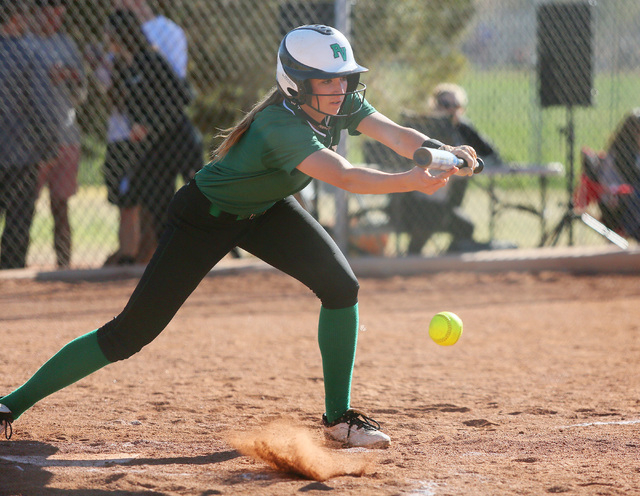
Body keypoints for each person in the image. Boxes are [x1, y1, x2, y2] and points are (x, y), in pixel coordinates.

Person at [0, 25, 480, 447]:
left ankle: (339, 419)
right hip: (203, 219)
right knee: (130, 334)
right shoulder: (279, 124)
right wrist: (410, 181)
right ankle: (10, 403)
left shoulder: (340, 101)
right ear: (295, 82)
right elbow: (346, 175)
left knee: (341, 287)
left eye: (344, 78)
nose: (339, 88)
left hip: (267, 211)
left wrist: (441, 151)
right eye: (326, 79)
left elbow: (396, 135)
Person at [94, 0, 198, 266]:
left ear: (121, 36)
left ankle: (229, 247)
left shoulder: (151, 59)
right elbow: (127, 106)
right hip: (153, 146)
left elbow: (183, 97)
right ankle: (167, 260)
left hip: (178, 139)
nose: (106, 39)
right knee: (157, 202)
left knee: (201, 193)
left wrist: (149, 124)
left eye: (110, 34)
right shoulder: (123, 68)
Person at [388, 83, 503, 254]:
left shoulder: (464, 129)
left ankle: (444, 266)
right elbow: (394, 159)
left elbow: (493, 156)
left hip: (446, 204)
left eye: (455, 106)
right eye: (444, 104)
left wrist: (468, 165)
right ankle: (412, 258)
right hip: (414, 201)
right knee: (429, 216)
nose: (450, 110)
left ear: (462, 109)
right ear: (433, 105)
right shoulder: (419, 127)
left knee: (465, 227)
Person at [0, 0, 59, 270]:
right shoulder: (28, 53)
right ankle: (10, 271)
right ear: (14, 20)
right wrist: (49, 143)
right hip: (21, 152)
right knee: (19, 216)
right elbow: (42, 103)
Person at [28, 0, 87, 268]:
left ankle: (64, 266)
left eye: (59, 15)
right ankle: (14, 262)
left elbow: (82, 95)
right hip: (28, 139)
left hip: (65, 136)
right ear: (36, 13)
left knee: (60, 206)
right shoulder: (23, 43)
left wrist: (73, 78)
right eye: (50, 14)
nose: (55, 20)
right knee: (23, 206)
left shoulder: (68, 45)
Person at [603, 109, 640, 240]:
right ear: (633, 132)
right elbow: (631, 180)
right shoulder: (622, 153)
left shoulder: (635, 152)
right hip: (619, 203)